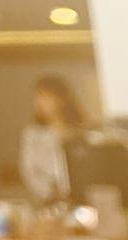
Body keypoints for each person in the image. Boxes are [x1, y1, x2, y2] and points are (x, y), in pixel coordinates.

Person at [19, 74, 85, 204]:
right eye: (37, 97)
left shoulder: (80, 132)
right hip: (48, 201)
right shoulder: (33, 135)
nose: (39, 102)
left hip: (80, 200)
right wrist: (51, 190)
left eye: (44, 96)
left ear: (61, 99)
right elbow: (29, 171)